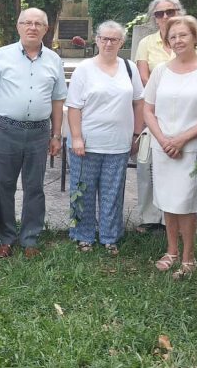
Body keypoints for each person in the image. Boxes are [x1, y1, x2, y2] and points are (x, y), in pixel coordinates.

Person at [142, 15, 197, 279]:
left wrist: (182, 139)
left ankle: (189, 256)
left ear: (195, 37)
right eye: (173, 36)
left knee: (186, 204)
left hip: (191, 148)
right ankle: (171, 251)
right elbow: (148, 109)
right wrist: (163, 139)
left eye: (183, 35)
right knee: (167, 201)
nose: (178, 40)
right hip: (163, 147)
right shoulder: (160, 71)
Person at [0, 8, 67, 258]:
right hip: (6, 129)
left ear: (46, 29)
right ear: (18, 26)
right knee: (3, 185)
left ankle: (30, 239)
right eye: (27, 22)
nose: (32, 27)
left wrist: (56, 135)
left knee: (34, 187)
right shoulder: (2, 55)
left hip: (39, 133)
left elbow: (58, 100)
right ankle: (6, 237)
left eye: (38, 23)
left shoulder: (54, 60)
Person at [66, 21, 144, 255]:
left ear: (121, 42)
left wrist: (136, 134)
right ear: (97, 40)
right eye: (104, 38)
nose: (109, 43)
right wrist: (76, 137)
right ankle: (83, 235)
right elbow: (74, 106)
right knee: (83, 191)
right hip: (87, 143)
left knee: (113, 193)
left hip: (118, 143)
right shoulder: (84, 69)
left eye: (114, 39)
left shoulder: (129, 68)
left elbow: (139, 102)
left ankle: (110, 237)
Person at [132, 0, 197, 234]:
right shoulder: (146, 43)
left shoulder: (189, 41)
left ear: (179, 13)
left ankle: (170, 217)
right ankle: (149, 216)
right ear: (154, 18)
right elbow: (144, 77)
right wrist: (165, 93)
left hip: (184, 115)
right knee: (147, 166)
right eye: (159, 13)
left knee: (178, 166)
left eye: (170, 12)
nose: (165, 17)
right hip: (153, 111)